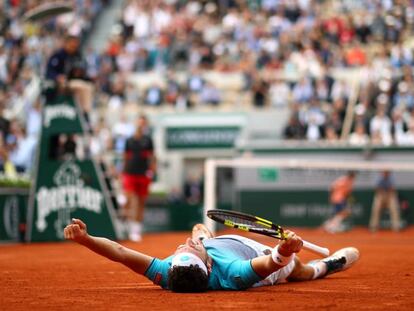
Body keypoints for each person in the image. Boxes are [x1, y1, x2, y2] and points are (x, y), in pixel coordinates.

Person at [64, 219, 360, 292]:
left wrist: (85, 239)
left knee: (198, 228)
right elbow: (271, 263)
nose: (182, 245)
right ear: (207, 264)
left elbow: (120, 252)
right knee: (299, 272)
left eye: (181, 249)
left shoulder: (169, 273)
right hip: (263, 257)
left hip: (221, 244)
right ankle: (327, 265)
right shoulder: (234, 274)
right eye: (190, 248)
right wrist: (286, 248)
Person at [121, 115, 156, 241]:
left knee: (141, 202)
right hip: (130, 174)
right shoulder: (129, 140)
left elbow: (152, 157)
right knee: (129, 200)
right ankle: (126, 226)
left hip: (143, 175)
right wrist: (122, 173)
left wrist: (152, 171)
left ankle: (136, 230)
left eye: (143, 123)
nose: (141, 125)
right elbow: (125, 157)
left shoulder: (148, 140)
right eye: (139, 122)